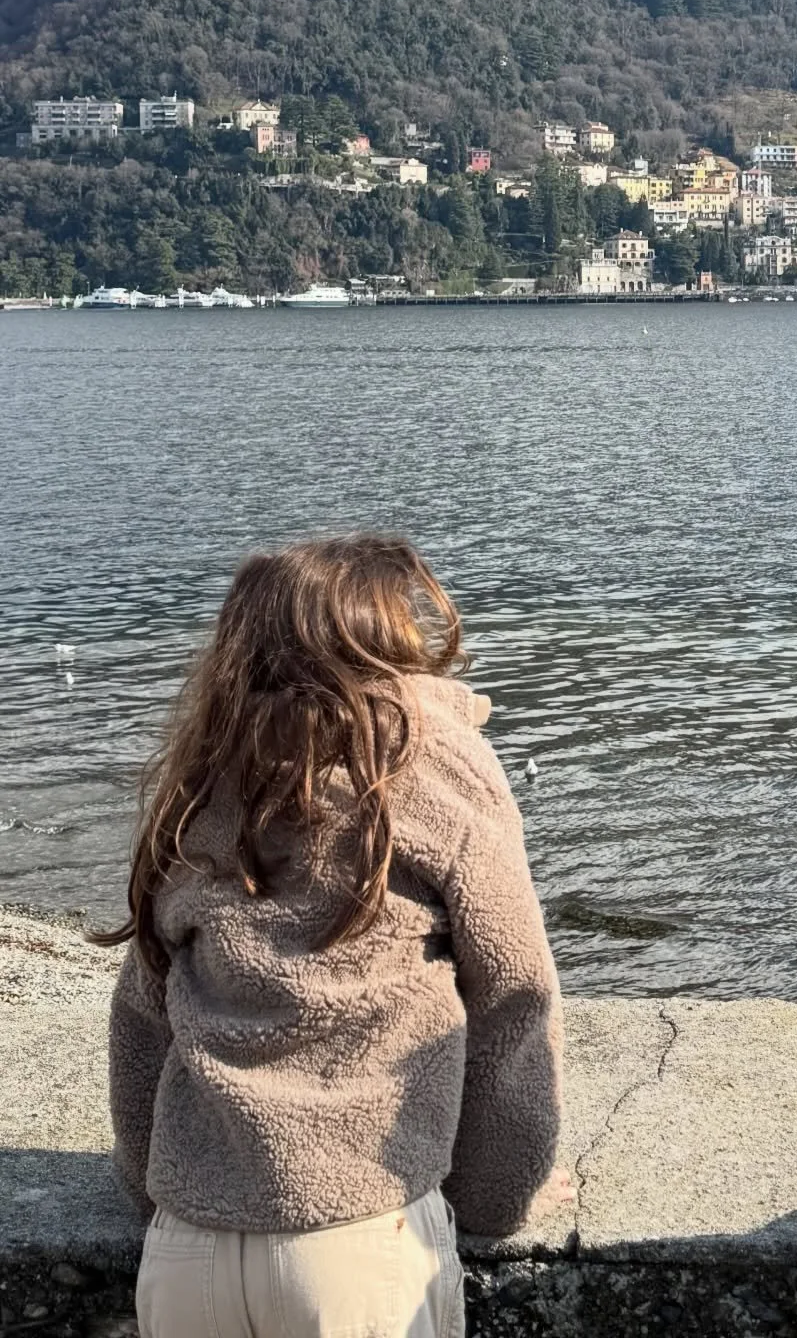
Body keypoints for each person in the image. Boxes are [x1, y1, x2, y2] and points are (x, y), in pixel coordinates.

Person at [100, 534, 568, 1338]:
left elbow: (143, 1018)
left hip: (186, 1253)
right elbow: (514, 993)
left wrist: (159, 1191)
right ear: (392, 640)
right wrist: (500, 1194)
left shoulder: (205, 783)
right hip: (360, 1241)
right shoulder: (437, 763)